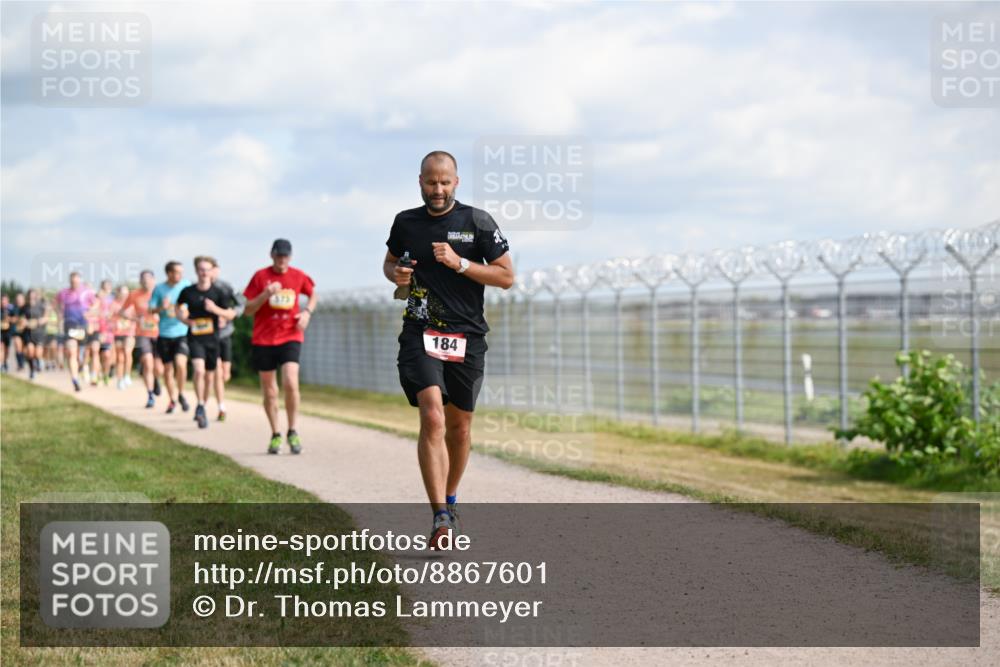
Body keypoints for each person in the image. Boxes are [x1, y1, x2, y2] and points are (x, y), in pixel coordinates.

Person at [382, 150, 514, 548]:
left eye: (444, 182)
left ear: (456, 182)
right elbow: (389, 265)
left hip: (467, 336)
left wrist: (460, 264)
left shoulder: (477, 222)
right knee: (434, 417)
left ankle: (451, 498)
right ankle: (440, 514)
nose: (437, 189)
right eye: (430, 182)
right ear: (419, 181)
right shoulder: (405, 222)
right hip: (420, 331)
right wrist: (397, 273)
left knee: (459, 428)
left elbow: (506, 277)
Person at [243, 239, 316, 454]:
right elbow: (247, 310)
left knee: (291, 382)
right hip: (264, 339)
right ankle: (275, 434)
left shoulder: (298, 275)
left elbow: (313, 293)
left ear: (290, 257)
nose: (282, 260)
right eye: (278, 256)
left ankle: (292, 430)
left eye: (285, 256)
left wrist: (307, 312)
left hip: (290, 335)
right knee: (270, 391)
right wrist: (265, 294)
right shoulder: (260, 277)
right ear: (271, 255)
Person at [176, 256, 237, 429]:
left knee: (210, 376)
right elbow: (178, 309)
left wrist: (215, 310)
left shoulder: (219, 292)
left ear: (212, 271)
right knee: (199, 370)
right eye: (201, 269)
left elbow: (230, 314)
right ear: (196, 271)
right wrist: (186, 320)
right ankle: (201, 405)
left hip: (213, 339)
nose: (204, 273)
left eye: (207, 269)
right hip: (195, 338)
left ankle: (203, 402)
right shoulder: (188, 292)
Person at [150, 261, 192, 414]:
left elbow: (194, 302)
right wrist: (162, 307)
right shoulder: (160, 289)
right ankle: (172, 399)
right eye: (177, 272)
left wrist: (188, 311)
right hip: (164, 334)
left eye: (181, 272)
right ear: (169, 273)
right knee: (168, 369)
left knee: (181, 364)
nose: (180, 275)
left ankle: (181, 393)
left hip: (182, 332)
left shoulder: (187, 285)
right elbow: (151, 309)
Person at [210, 262, 245, 422]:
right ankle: (221, 406)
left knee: (225, 374)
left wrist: (231, 313)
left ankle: (219, 390)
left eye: (213, 270)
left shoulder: (226, 287)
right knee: (217, 371)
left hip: (226, 334)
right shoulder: (198, 289)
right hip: (209, 336)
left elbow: (241, 304)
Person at [125, 270, 163, 408]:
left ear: (154, 280)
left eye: (149, 280)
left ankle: (156, 379)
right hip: (142, 333)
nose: (146, 283)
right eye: (143, 280)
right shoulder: (134, 294)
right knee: (148, 363)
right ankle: (150, 395)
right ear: (140, 281)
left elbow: (171, 309)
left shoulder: (160, 292)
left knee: (159, 368)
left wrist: (162, 316)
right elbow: (123, 312)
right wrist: (136, 318)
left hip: (160, 333)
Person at [55, 272, 96, 391]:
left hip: (83, 325)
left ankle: (82, 367)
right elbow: (56, 304)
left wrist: (90, 316)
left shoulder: (87, 292)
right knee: (71, 351)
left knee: (81, 355)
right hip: (70, 325)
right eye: (72, 282)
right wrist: (59, 315)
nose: (74, 283)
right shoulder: (63, 293)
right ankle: (75, 379)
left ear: (80, 281)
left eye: (77, 281)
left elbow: (96, 304)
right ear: (70, 281)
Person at [109, 284, 136, 390]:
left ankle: (127, 375)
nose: (124, 295)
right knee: (120, 357)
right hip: (118, 333)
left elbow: (136, 317)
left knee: (128, 352)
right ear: (118, 293)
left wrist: (128, 317)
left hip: (129, 332)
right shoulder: (114, 304)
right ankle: (120, 379)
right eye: (122, 293)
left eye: (126, 293)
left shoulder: (132, 304)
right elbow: (109, 316)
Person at [18, 288, 47, 380]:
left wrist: (37, 322)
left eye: (33, 296)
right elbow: (21, 319)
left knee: (38, 353)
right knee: (30, 352)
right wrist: (24, 322)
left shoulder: (41, 306)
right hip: (28, 333)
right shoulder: (24, 307)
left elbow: (46, 318)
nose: (31, 297)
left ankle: (39, 361)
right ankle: (32, 370)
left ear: (35, 296)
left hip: (39, 333)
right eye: (29, 296)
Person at [12, 292, 26, 371]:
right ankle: (20, 364)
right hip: (16, 331)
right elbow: (9, 318)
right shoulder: (14, 308)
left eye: (20, 299)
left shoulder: (27, 308)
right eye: (17, 299)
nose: (19, 301)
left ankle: (23, 362)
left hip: (25, 332)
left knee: (23, 349)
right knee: (18, 346)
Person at [1, 294, 14, 372]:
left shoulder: (11, 309)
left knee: (6, 349)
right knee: (1, 347)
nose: (3, 302)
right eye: (2, 300)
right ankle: (1, 364)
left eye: (5, 300)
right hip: (1, 332)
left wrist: (9, 319)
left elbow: (16, 318)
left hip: (8, 332)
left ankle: (5, 362)